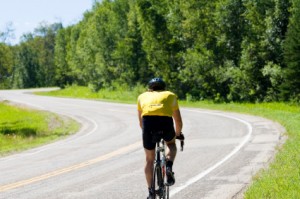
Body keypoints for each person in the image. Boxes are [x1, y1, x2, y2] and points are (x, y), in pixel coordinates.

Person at [137, 77, 183, 199]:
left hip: (148, 123)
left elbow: (141, 123)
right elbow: (178, 120)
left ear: (149, 89)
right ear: (164, 88)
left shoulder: (142, 96)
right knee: (171, 145)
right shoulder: (170, 95)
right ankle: (168, 166)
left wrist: (147, 134)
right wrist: (178, 134)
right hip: (165, 122)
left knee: (149, 160)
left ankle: (151, 192)